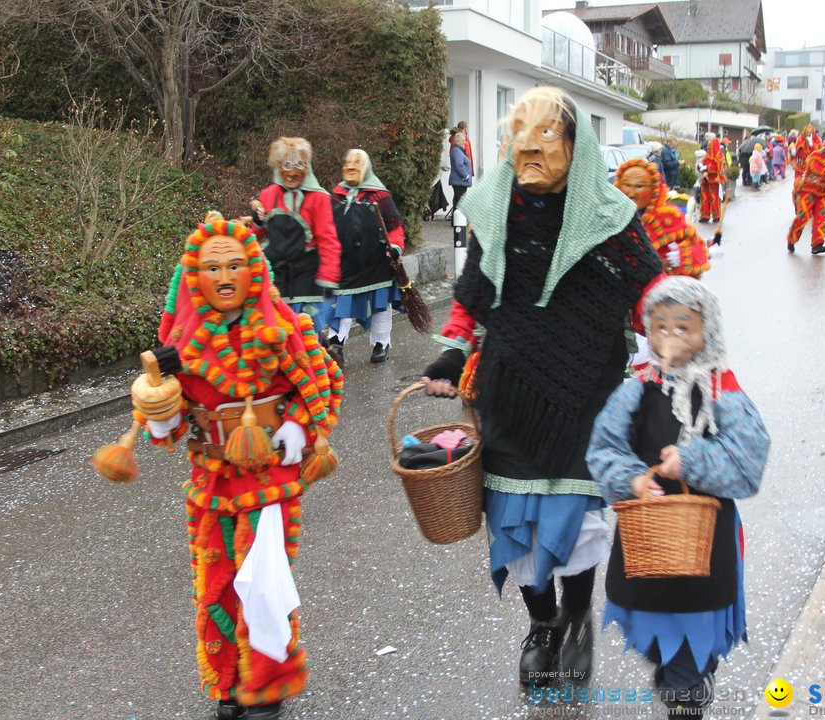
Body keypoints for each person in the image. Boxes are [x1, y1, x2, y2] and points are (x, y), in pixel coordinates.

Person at [420, 86, 664, 687]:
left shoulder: (611, 217)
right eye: (519, 130)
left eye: (546, 132)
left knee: (573, 518)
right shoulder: (493, 206)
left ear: (575, 147)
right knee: (515, 517)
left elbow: (650, 298)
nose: (528, 143)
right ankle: (544, 622)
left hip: (588, 391)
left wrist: (676, 350)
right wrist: (454, 351)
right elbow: (475, 291)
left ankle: (578, 616)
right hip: (508, 389)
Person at [130, 213, 342, 720]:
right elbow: (176, 420)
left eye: (234, 266)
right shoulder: (181, 339)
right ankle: (229, 681)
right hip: (212, 477)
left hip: (269, 476)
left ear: (253, 270)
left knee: (264, 582)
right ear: (195, 278)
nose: (224, 277)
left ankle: (266, 686)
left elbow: (323, 380)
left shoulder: (280, 326)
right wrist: (161, 416)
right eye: (211, 268)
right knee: (217, 579)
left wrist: (297, 425)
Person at [587, 276, 770, 720]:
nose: (670, 338)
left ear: (708, 331)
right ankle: (680, 676)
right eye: (660, 327)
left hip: (705, 545)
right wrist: (633, 480)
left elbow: (749, 466)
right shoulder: (635, 388)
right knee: (655, 639)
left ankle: (687, 691)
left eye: (683, 327)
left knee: (688, 650)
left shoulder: (723, 391)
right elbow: (603, 448)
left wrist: (691, 462)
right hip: (646, 539)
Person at [247, 137, 341, 335]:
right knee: (277, 335)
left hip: (307, 279)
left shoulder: (319, 198)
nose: (292, 171)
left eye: (298, 164)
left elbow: (328, 240)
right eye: (286, 164)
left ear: (307, 167)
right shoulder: (268, 195)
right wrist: (257, 221)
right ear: (278, 167)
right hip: (276, 279)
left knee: (307, 336)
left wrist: (328, 278)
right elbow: (257, 234)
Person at [328, 149, 406, 365]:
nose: (351, 166)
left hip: (376, 262)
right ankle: (336, 343)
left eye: (357, 162)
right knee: (342, 301)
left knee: (380, 303)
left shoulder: (380, 196)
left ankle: (381, 343)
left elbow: (395, 226)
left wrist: (396, 247)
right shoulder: (336, 196)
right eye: (348, 162)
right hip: (347, 263)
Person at [616, 157, 710, 278]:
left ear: (653, 189)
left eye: (639, 186)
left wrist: (682, 256)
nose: (632, 192)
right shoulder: (612, 217)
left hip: (663, 288)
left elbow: (698, 247)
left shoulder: (669, 217)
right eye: (627, 185)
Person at [786, 135, 825, 255]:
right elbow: (815, 168)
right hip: (808, 191)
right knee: (803, 216)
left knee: (821, 217)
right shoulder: (816, 156)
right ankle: (791, 239)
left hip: (823, 194)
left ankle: (817, 244)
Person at [698, 138, 727, 223]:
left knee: (714, 199)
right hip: (705, 181)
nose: (708, 147)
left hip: (714, 181)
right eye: (708, 146)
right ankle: (705, 216)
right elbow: (702, 163)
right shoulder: (706, 155)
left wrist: (708, 168)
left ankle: (716, 215)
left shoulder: (720, 156)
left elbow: (721, 168)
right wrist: (700, 167)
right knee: (704, 199)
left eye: (710, 146)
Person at [449, 130, 474, 211]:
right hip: (459, 181)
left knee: (458, 200)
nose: (464, 142)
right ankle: (458, 221)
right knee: (459, 201)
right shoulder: (457, 151)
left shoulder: (459, 151)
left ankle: (457, 220)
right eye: (462, 140)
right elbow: (459, 165)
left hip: (460, 181)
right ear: (457, 141)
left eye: (465, 140)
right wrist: (466, 176)